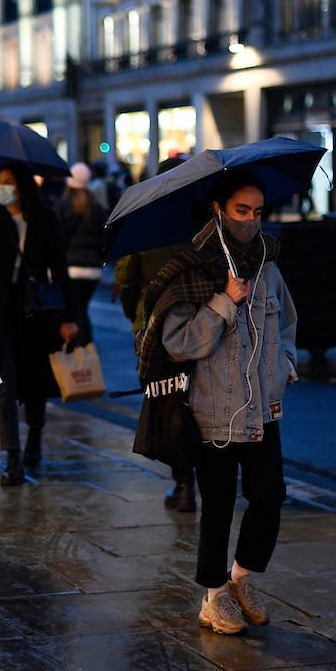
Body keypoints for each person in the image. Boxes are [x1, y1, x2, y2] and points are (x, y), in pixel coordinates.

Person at [137, 172, 297, 635]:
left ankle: (243, 577)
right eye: (241, 211)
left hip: (263, 407)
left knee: (270, 496)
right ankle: (213, 596)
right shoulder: (192, 267)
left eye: (258, 212)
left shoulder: (268, 263)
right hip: (212, 408)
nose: (251, 221)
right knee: (219, 504)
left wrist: (283, 367)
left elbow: (286, 324)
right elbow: (179, 343)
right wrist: (223, 301)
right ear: (218, 210)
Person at [0, 162, 80, 486]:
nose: (3, 188)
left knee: (37, 382)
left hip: (38, 310)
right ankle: (12, 457)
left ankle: (35, 439)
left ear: (23, 185)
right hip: (1, 311)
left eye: (9, 182)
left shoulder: (46, 217)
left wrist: (70, 317)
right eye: (0, 182)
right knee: (7, 384)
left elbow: (60, 269)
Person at [114, 156, 196, 511]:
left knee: (166, 403)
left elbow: (125, 277)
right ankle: (197, 475)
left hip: (155, 330)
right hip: (201, 325)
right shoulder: (203, 219)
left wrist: (137, 315)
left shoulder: (143, 220)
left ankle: (182, 483)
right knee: (197, 402)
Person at [56, 164, 108, 345]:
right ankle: (84, 347)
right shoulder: (97, 208)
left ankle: (80, 348)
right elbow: (105, 238)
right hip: (92, 270)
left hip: (70, 268)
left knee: (75, 311)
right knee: (81, 309)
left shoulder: (63, 206)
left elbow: (57, 239)